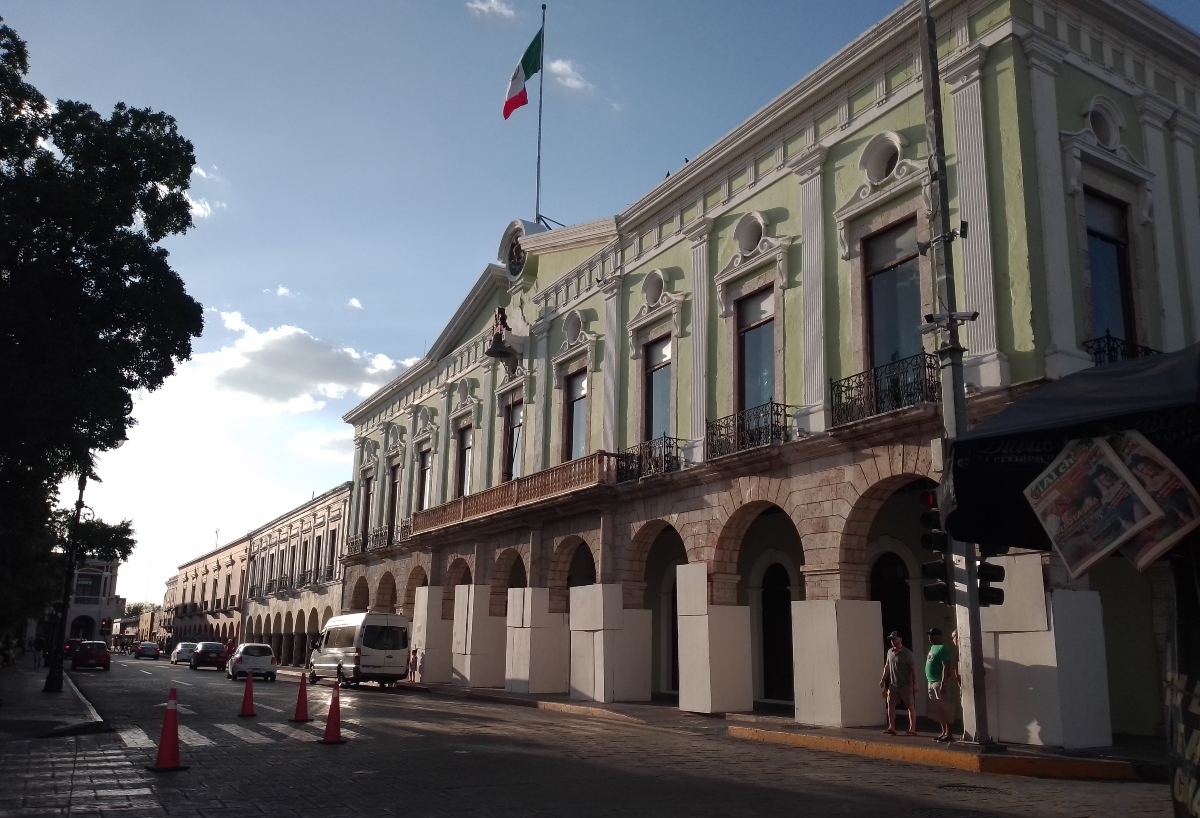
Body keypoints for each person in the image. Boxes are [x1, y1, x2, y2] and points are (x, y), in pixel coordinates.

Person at [879, 631, 919, 736]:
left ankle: (912, 729)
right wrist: (883, 679)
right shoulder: (890, 652)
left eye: (894, 639)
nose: (892, 641)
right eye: (891, 639)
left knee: (910, 705)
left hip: (906, 684)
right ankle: (891, 727)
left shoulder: (907, 653)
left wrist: (915, 683)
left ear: (900, 639)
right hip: (893, 684)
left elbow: (913, 669)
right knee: (891, 705)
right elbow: (887, 666)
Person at [925, 628, 956, 742]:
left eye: (932, 635)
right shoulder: (933, 647)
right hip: (931, 681)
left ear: (939, 636)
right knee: (938, 708)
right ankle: (943, 732)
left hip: (940, 681)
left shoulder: (943, 648)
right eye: (929, 635)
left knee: (945, 707)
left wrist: (944, 683)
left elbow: (945, 666)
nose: (930, 637)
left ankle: (949, 734)